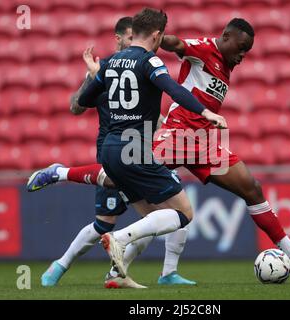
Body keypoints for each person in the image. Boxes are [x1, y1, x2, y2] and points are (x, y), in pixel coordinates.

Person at [28, 16, 290, 273]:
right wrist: (162, 41)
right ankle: (60, 173)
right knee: (117, 173)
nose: (242, 56)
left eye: (247, 52)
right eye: (240, 49)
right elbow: (177, 44)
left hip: (205, 142)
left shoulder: (225, 65)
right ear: (226, 38)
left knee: (251, 187)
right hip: (179, 135)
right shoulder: (205, 49)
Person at [34, 17, 196, 288]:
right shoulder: (108, 69)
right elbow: (76, 106)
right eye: (129, 37)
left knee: (156, 218)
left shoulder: (138, 70)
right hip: (115, 152)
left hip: (135, 151)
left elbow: (151, 115)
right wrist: (92, 78)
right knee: (105, 224)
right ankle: (60, 264)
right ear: (119, 38)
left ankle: (134, 274)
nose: (135, 42)